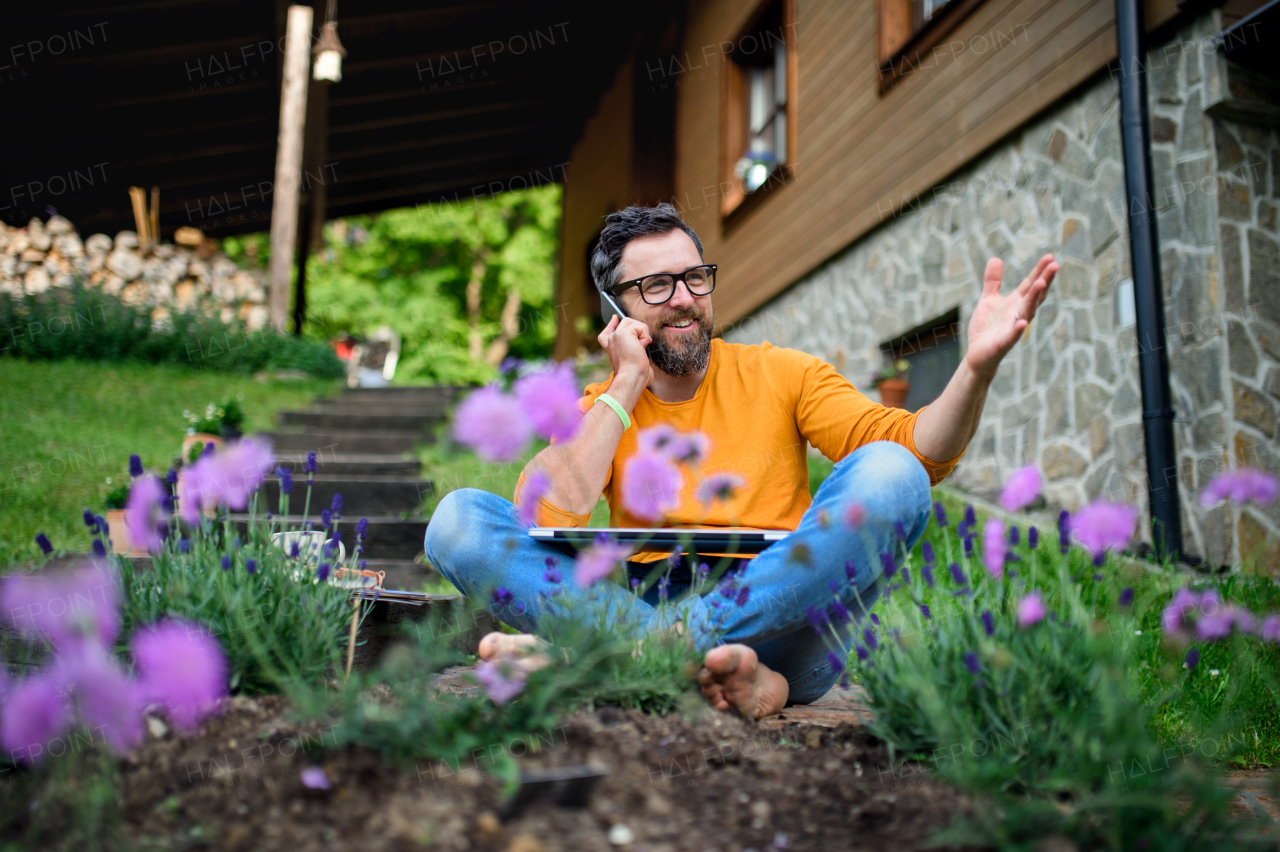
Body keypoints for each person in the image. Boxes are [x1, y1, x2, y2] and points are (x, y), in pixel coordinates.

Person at [425, 203, 1057, 719]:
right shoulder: (605, 405)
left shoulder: (781, 371)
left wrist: (974, 371)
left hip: (791, 617)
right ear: (616, 311)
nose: (683, 299)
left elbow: (920, 453)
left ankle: (628, 653)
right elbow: (546, 513)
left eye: (694, 277)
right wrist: (624, 387)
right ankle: (740, 681)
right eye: (654, 286)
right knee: (458, 521)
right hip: (659, 595)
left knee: (892, 472)